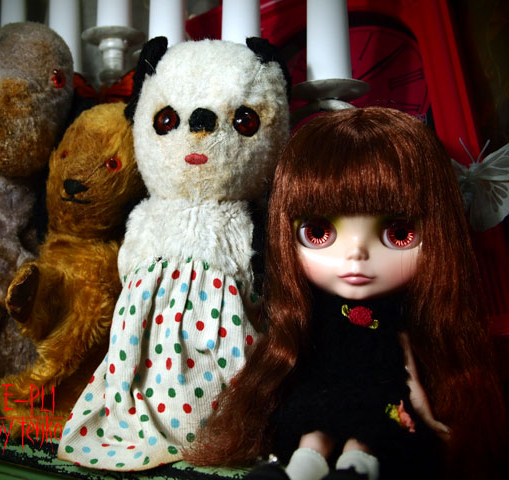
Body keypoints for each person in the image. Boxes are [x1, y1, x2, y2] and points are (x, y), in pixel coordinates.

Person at [186, 107, 507, 479]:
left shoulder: (398, 318)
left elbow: (410, 376)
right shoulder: (306, 313)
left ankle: (356, 469)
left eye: (399, 234)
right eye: (319, 233)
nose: (356, 254)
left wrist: (427, 417)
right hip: (321, 393)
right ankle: (299, 468)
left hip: (380, 397)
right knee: (312, 431)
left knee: (368, 436)